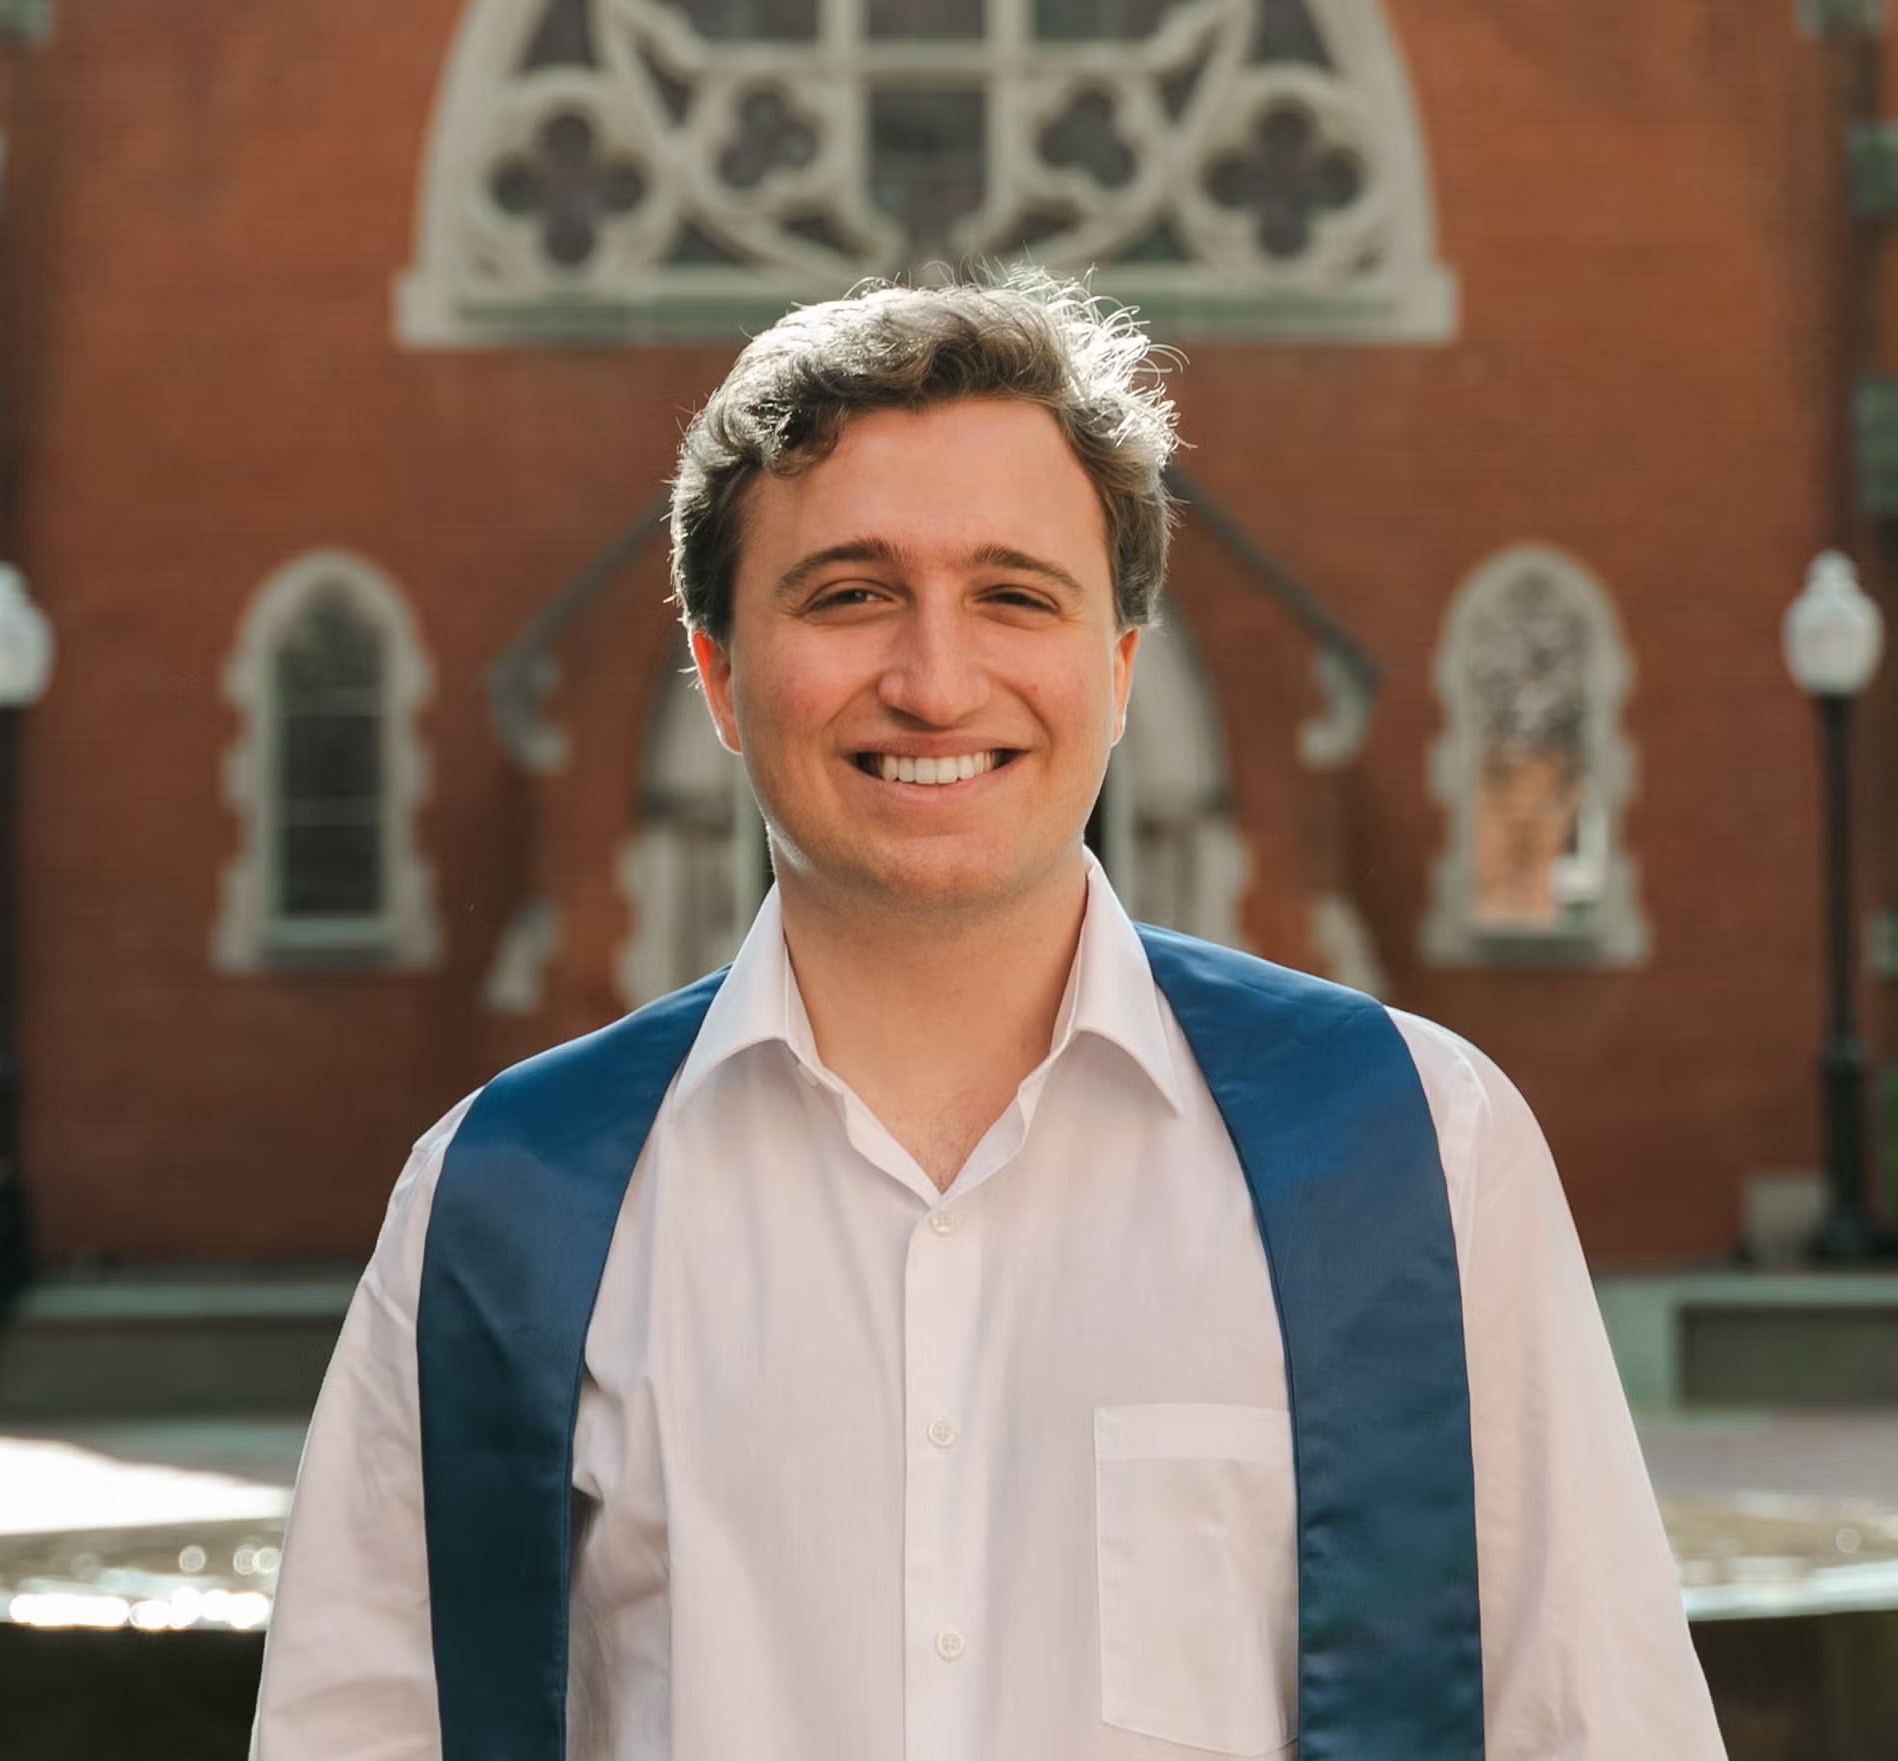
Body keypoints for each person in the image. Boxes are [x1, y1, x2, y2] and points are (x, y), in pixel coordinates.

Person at [251, 269, 1727, 1760]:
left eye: (1015, 594)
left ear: (1119, 667)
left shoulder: (1417, 1153)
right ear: (718, 672)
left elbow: (1596, 1723)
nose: (936, 679)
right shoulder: (503, 1204)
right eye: (849, 594)